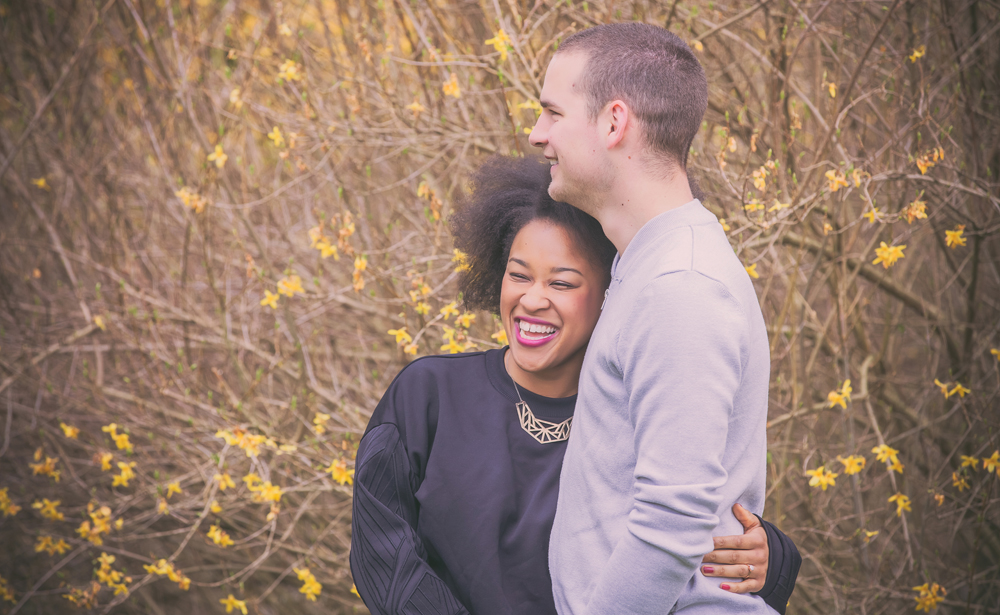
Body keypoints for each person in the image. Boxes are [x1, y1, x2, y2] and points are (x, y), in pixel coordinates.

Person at [350, 156, 799, 615]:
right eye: (518, 274)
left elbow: (686, 524)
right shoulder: (429, 396)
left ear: (612, 295)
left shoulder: (632, 412)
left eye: (561, 283)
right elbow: (383, 555)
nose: (532, 299)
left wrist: (771, 559)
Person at [528, 23, 777, 614]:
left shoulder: (679, 287)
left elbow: (673, 524)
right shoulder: (647, 265)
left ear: (614, 123)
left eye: (552, 113)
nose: (538, 136)